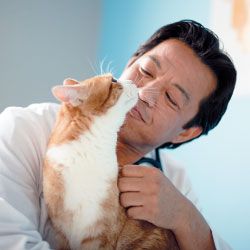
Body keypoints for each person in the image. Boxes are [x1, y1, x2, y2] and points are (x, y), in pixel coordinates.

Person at [0, 20, 236, 250]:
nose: (144, 93)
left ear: (185, 134)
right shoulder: (23, 130)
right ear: (130, 63)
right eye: (145, 71)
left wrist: (186, 219)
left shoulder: (174, 183)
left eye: (171, 98)